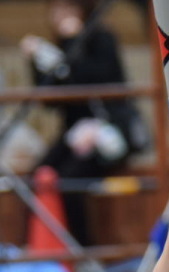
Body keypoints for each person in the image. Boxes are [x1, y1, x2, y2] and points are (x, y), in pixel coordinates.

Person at [20, 0, 145, 244]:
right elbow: (49, 100)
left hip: (108, 133)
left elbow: (101, 79)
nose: (60, 17)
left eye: (67, 9)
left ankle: (85, 252)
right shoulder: (58, 48)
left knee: (70, 182)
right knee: (36, 176)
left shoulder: (101, 39)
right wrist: (34, 61)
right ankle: (35, 248)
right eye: (55, 10)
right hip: (74, 133)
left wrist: (74, 42)